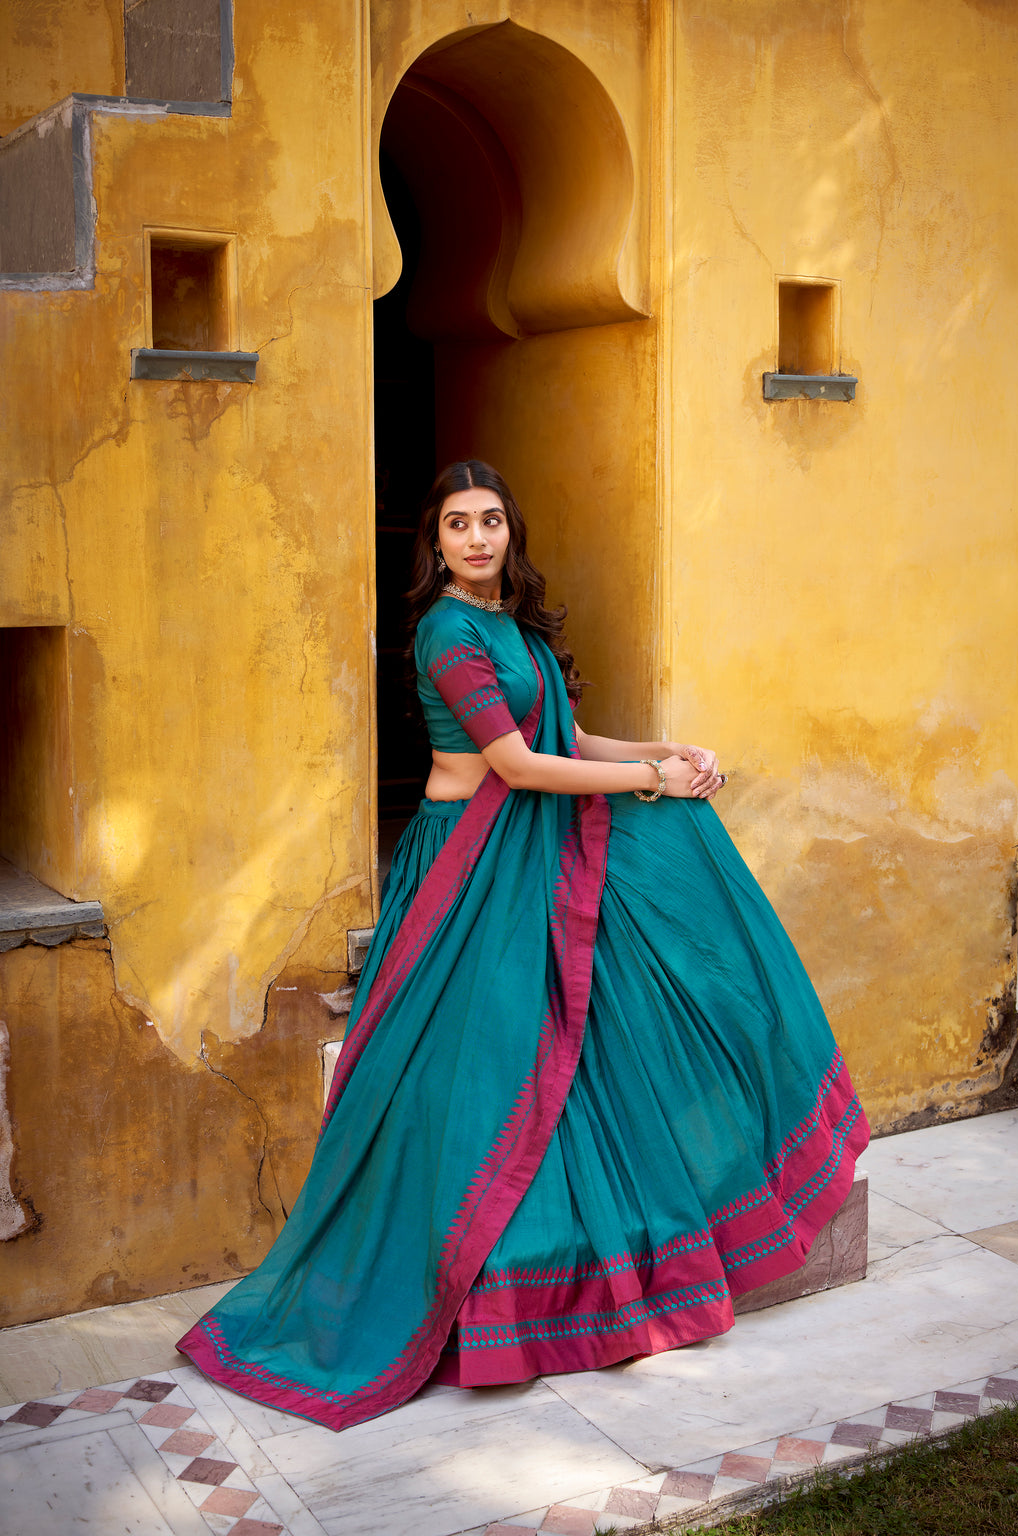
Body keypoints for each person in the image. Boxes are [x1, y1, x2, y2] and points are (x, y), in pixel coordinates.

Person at [178, 459, 868, 1432]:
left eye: (489, 520)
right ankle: (469, 1283)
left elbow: (572, 740)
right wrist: (648, 788)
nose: (474, 538)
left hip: (531, 846)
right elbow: (509, 764)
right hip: (470, 868)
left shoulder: (518, 626)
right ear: (436, 541)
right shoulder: (446, 630)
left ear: (511, 533)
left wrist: (666, 753)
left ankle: (587, 1266)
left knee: (593, 1028)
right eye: (456, 523)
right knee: (484, 1069)